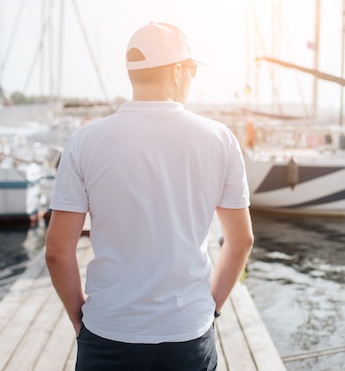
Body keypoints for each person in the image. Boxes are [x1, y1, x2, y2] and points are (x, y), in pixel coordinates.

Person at [45, 22, 254, 371]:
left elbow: (57, 253)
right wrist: (211, 307)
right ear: (176, 71)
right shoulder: (220, 140)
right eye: (191, 69)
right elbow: (242, 240)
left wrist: (80, 319)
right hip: (187, 332)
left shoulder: (85, 141)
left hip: (109, 331)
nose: (192, 78)